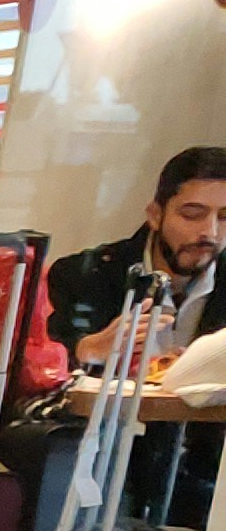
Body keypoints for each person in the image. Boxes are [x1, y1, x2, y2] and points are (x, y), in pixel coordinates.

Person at [49, 145, 226, 370]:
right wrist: (89, 349)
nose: (210, 232)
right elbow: (41, 363)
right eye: (192, 215)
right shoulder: (85, 274)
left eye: (224, 217)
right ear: (155, 216)